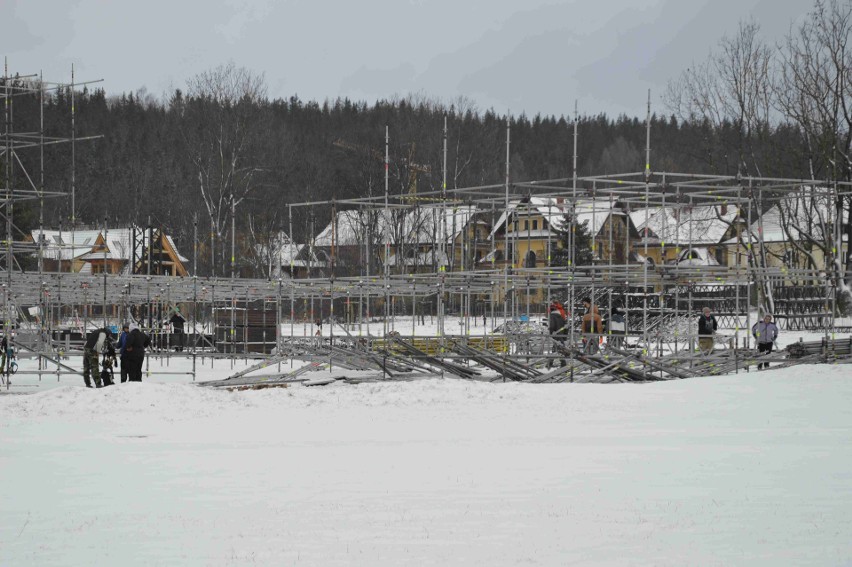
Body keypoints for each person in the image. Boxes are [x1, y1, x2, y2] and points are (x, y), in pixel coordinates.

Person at [547, 300, 568, 367]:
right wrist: (565, 336)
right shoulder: (561, 317)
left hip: (555, 335)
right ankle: (551, 362)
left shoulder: (552, 316)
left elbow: (552, 325)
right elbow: (566, 327)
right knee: (557, 349)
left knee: (557, 349)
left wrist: (551, 332)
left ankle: (554, 363)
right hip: (561, 335)